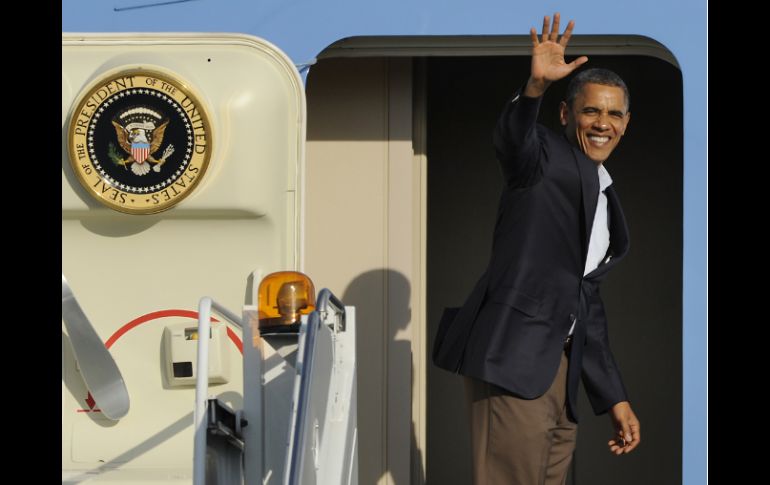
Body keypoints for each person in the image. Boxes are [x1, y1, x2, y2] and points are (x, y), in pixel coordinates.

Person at [432, 13, 641, 485]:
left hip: (561, 374)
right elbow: (513, 141)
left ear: (626, 124)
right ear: (567, 115)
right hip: (515, 358)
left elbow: (586, 303)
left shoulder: (606, 197)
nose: (602, 123)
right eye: (591, 111)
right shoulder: (542, 158)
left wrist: (614, 398)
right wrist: (535, 88)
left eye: (613, 114)